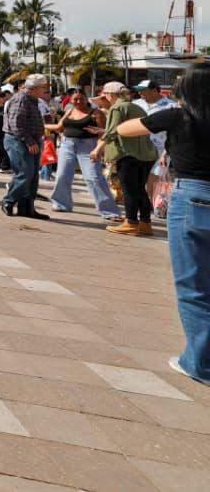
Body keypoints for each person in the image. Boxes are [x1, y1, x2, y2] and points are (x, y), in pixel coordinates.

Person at [116, 64, 210, 382]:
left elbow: (126, 130)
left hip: (192, 196)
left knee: (194, 287)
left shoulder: (178, 115)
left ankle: (199, 363)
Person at [92, 82, 157, 236]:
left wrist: (98, 149)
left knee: (129, 190)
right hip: (147, 154)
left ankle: (131, 222)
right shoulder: (137, 107)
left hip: (128, 154)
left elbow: (113, 131)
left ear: (111, 95)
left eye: (104, 95)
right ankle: (145, 223)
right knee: (140, 190)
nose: (104, 98)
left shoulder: (117, 108)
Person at [46, 89, 119, 218]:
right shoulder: (69, 111)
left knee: (94, 178)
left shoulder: (96, 113)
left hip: (87, 147)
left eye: (81, 99)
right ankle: (61, 204)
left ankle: (109, 211)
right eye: (75, 99)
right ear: (70, 100)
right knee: (62, 176)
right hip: (67, 145)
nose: (78, 101)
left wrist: (98, 150)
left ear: (86, 99)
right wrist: (40, 126)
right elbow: (59, 127)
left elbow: (104, 133)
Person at [1, 74, 49, 219]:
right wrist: (29, 141)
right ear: (35, 88)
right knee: (25, 173)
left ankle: (27, 208)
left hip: (30, 140)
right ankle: (8, 200)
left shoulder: (32, 99)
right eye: (43, 88)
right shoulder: (21, 99)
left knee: (33, 176)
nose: (45, 91)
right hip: (19, 141)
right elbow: (17, 124)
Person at [135, 79, 176, 205]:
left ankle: (154, 206)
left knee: (155, 177)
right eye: (139, 91)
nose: (140, 94)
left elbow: (174, 131)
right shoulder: (136, 104)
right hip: (138, 148)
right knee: (140, 178)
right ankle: (147, 206)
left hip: (161, 149)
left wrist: (168, 151)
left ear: (154, 91)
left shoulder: (171, 106)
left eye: (143, 91)